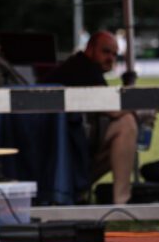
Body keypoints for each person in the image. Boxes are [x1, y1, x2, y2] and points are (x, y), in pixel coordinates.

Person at [45, 31, 138, 204]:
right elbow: (113, 110)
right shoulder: (84, 67)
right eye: (105, 51)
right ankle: (122, 201)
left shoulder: (80, 66)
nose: (111, 58)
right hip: (56, 151)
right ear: (90, 48)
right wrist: (144, 105)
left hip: (59, 150)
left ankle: (81, 192)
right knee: (126, 124)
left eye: (114, 54)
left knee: (121, 140)